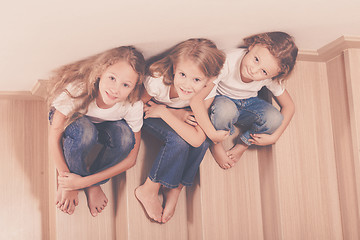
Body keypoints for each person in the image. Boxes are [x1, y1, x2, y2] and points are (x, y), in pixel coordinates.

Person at [135, 38, 225, 223]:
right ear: (175, 67)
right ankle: (149, 189)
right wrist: (166, 113)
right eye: (182, 74)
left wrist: (172, 113)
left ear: (208, 81)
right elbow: (137, 107)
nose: (186, 85)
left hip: (167, 113)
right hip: (149, 114)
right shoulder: (158, 80)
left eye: (197, 79)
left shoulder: (208, 91)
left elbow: (198, 139)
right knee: (179, 142)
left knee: (202, 144)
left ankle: (175, 188)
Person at [48, 46, 145, 216]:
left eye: (125, 85)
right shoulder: (78, 89)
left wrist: (87, 182)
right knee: (86, 133)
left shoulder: (133, 104)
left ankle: (90, 185)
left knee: (125, 138)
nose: (115, 89)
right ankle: (73, 178)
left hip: (103, 126)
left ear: (134, 87)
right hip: (73, 122)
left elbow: (131, 159)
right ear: (101, 72)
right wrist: (66, 181)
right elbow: (54, 135)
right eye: (112, 78)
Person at [190, 31, 298, 169]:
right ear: (252, 46)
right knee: (225, 110)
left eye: (263, 72)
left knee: (275, 118)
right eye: (256, 60)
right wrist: (211, 133)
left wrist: (274, 137)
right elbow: (201, 100)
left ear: (273, 75)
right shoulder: (226, 60)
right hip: (222, 100)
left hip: (248, 103)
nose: (254, 70)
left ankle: (243, 144)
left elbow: (289, 106)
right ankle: (216, 145)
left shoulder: (270, 77)